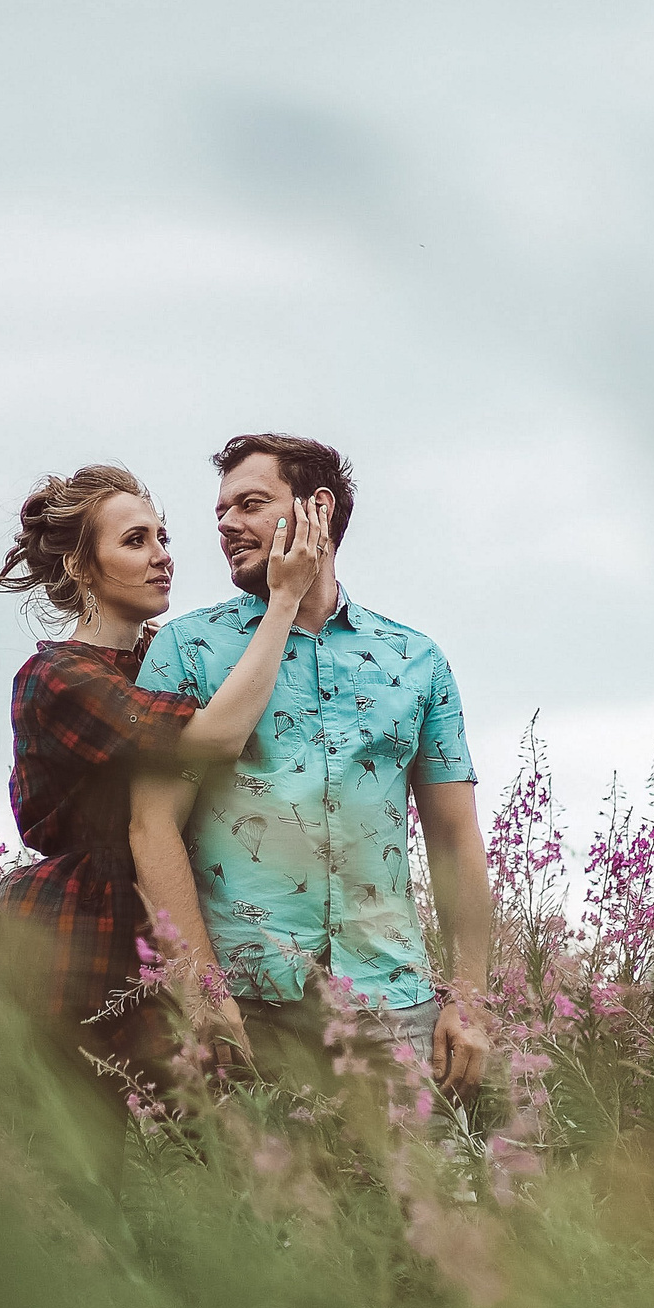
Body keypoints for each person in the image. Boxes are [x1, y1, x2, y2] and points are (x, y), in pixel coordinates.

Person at [0, 463, 328, 1154]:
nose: (162, 554)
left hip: (178, 913)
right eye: (135, 541)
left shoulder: (166, 659)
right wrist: (284, 602)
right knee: (96, 1169)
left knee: (237, 1151)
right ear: (80, 565)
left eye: (162, 536)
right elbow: (218, 736)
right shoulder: (58, 677)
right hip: (84, 935)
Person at [129, 434, 494, 1094]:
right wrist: (204, 993)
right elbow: (151, 825)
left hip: (394, 1006)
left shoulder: (416, 660)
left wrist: (468, 998)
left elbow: (455, 838)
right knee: (263, 1201)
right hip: (247, 1009)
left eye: (250, 504)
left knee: (424, 1198)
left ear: (317, 509)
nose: (226, 526)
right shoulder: (186, 650)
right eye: (220, 513)